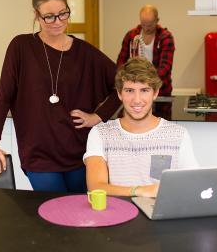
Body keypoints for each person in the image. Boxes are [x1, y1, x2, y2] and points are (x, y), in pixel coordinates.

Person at [0, 0, 120, 193]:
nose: (57, 22)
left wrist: (98, 116)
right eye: (49, 16)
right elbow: (4, 96)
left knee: (78, 218)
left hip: (79, 152)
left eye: (63, 14)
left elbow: (123, 85)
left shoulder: (86, 53)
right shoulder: (21, 47)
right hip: (39, 155)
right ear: (36, 15)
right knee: (52, 212)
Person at [84, 57, 198, 198]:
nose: (137, 100)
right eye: (130, 90)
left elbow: (192, 184)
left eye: (144, 90)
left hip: (159, 216)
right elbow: (96, 187)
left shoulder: (178, 135)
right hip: (118, 215)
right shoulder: (100, 133)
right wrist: (141, 191)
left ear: (155, 93)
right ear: (120, 94)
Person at [117, 4, 175, 96]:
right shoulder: (131, 36)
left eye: (150, 25)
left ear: (157, 20)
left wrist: (147, 83)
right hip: (134, 88)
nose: (147, 28)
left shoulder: (165, 37)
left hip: (160, 90)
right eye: (143, 24)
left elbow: (165, 67)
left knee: (161, 111)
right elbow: (121, 61)